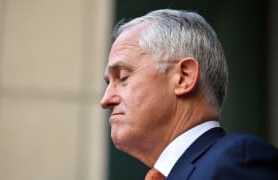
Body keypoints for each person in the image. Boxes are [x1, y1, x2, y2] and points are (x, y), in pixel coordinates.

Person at [100, 9, 278, 180]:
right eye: (109, 83)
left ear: (184, 77)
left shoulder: (235, 161)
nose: (105, 100)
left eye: (123, 77)